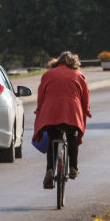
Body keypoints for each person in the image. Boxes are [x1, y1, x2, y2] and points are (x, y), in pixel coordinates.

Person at [33, 51, 91, 189]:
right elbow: (85, 98)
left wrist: (40, 109)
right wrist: (85, 110)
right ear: (73, 62)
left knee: (52, 139)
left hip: (51, 112)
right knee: (72, 137)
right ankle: (73, 167)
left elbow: (41, 96)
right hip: (71, 112)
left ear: (58, 61)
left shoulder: (48, 74)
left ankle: (50, 170)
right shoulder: (78, 75)